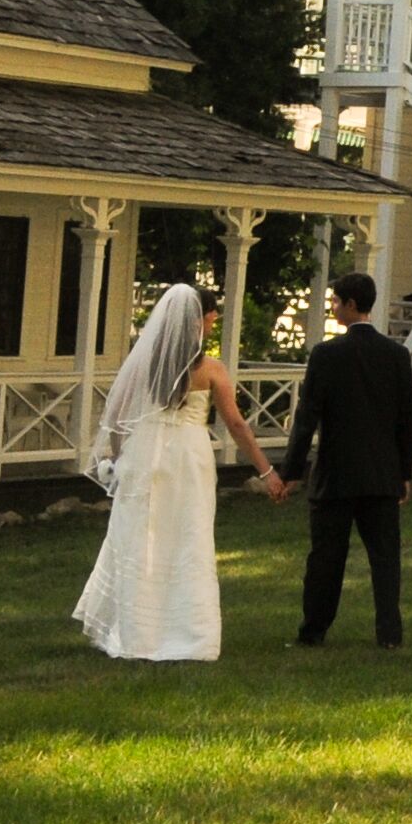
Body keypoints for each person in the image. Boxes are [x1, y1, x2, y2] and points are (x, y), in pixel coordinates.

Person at [73, 280, 282, 661]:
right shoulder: (211, 369)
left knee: (141, 538)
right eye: (209, 314)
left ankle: (135, 630)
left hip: (145, 454)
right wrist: (266, 471)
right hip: (188, 458)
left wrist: (121, 462)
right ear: (196, 320)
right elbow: (236, 425)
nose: (213, 319)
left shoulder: (144, 363)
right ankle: (188, 634)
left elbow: (117, 418)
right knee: (188, 538)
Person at [279, 267, 412, 647]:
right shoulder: (396, 355)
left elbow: (307, 417)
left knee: (326, 558)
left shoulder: (326, 355)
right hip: (381, 473)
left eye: (335, 303)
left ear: (351, 304)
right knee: (385, 558)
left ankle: (314, 630)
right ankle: (389, 633)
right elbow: (406, 418)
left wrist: (290, 472)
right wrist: (403, 472)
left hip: (336, 474)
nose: (333, 309)